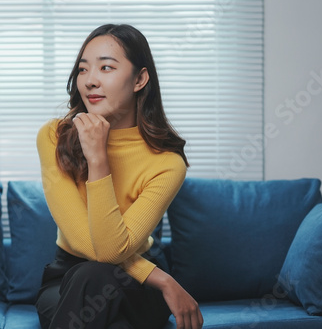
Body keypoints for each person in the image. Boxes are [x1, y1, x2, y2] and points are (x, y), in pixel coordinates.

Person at [35, 24, 203, 329]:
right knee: (96, 285)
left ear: (139, 79)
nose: (90, 81)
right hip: (67, 277)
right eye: (83, 70)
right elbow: (88, 244)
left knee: (96, 277)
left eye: (106, 67)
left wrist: (98, 160)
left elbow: (111, 252)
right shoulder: (53, 136)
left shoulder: (167, 162)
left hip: (133, 286)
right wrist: (162, 279)